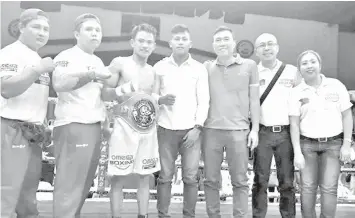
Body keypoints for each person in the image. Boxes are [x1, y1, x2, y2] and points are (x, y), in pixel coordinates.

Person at [51, 13, 112, 217]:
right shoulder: (66, 56)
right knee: (70, 183)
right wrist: (91, 75)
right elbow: (59, 83)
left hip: (93, 126)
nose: (94, 33)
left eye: (98, 30)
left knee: (84, 184)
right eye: (89, 29)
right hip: (73, 124)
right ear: (76, 33)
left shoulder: (98, 61)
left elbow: (100, 97)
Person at [102, 23, 161, 218]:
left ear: (154, 46)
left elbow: (154, 102)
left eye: (149, 42)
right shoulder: (120, 63)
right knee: (118, 177)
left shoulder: (153, 71)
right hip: (123, 128)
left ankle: (142, 216)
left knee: (145, 177)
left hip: (147, 129)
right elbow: (104, 93)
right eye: (141, 41)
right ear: (132, 42)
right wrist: (123, 90)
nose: (145, 45)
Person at [0, 8, 54, 218]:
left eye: (46, 29)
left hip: (34, 133)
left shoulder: (34, 56)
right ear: (21, 27)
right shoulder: (9, 53)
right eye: (36, 27)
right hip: (11, 128)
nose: (42, 32)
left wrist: (44, 125)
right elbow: (6, 89)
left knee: (28, 192)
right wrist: (36, 70)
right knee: (7, 189)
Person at [202, 26, 260, 218]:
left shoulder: (250, 66)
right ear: (213, 45)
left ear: (234, 43)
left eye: (226, 39)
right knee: (210, 180)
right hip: (211, 131)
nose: (222, 43)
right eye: (218, 40)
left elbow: (254, 100)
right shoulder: (206, 67)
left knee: (240, 181)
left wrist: (255, 130)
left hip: (239, 131)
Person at [154, 24, 210, 218]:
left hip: (191, 131)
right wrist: (159, 99)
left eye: (184, 39)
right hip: (165, 128)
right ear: (170, 43)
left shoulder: (199, 69)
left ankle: (189, 215)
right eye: (176, 39)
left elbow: (204, 101)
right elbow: (151, 97)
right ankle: (162, 214)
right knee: (165, 177)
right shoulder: (159, 67)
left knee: (191, 178)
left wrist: (198, 127)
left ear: (190, 43)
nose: (180, 42)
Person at [289, 50, 353, 218]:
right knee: (308, 188)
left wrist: (347, 144)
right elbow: (294, 124)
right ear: (299, 69)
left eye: (312, 62)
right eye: (304, 63)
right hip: (306, 145)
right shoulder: (296, 92)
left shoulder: (336, 85)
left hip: (333, 144)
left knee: (329, 188)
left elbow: (347, 115)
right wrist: (297, 152)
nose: (309, 66)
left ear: (320, 65)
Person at [252, 33, 300, 218]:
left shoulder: (292, 71)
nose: (266, 48)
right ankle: (258, 215)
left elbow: (301, 102)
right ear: (256, 51)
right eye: (262, 45)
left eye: (270, 44)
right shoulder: (253, 72)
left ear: (277, 47)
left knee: (287, 182)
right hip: (262, 132)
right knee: (260, 181)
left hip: (286, 134)